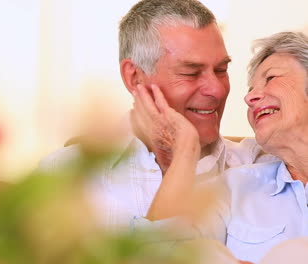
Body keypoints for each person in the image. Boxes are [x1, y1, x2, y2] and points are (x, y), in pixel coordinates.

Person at [40, 0, 272, 230]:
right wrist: (184, 154)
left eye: (221, 70)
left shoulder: (261, 168)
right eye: (191, 73)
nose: (217, 89)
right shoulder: (64, 176)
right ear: (134, 78)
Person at [135, 31, 308, 264]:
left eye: (271, 78)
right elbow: (156, 256)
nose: (250, 98)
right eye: (249, 91)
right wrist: (186, 150)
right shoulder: (234, 188)